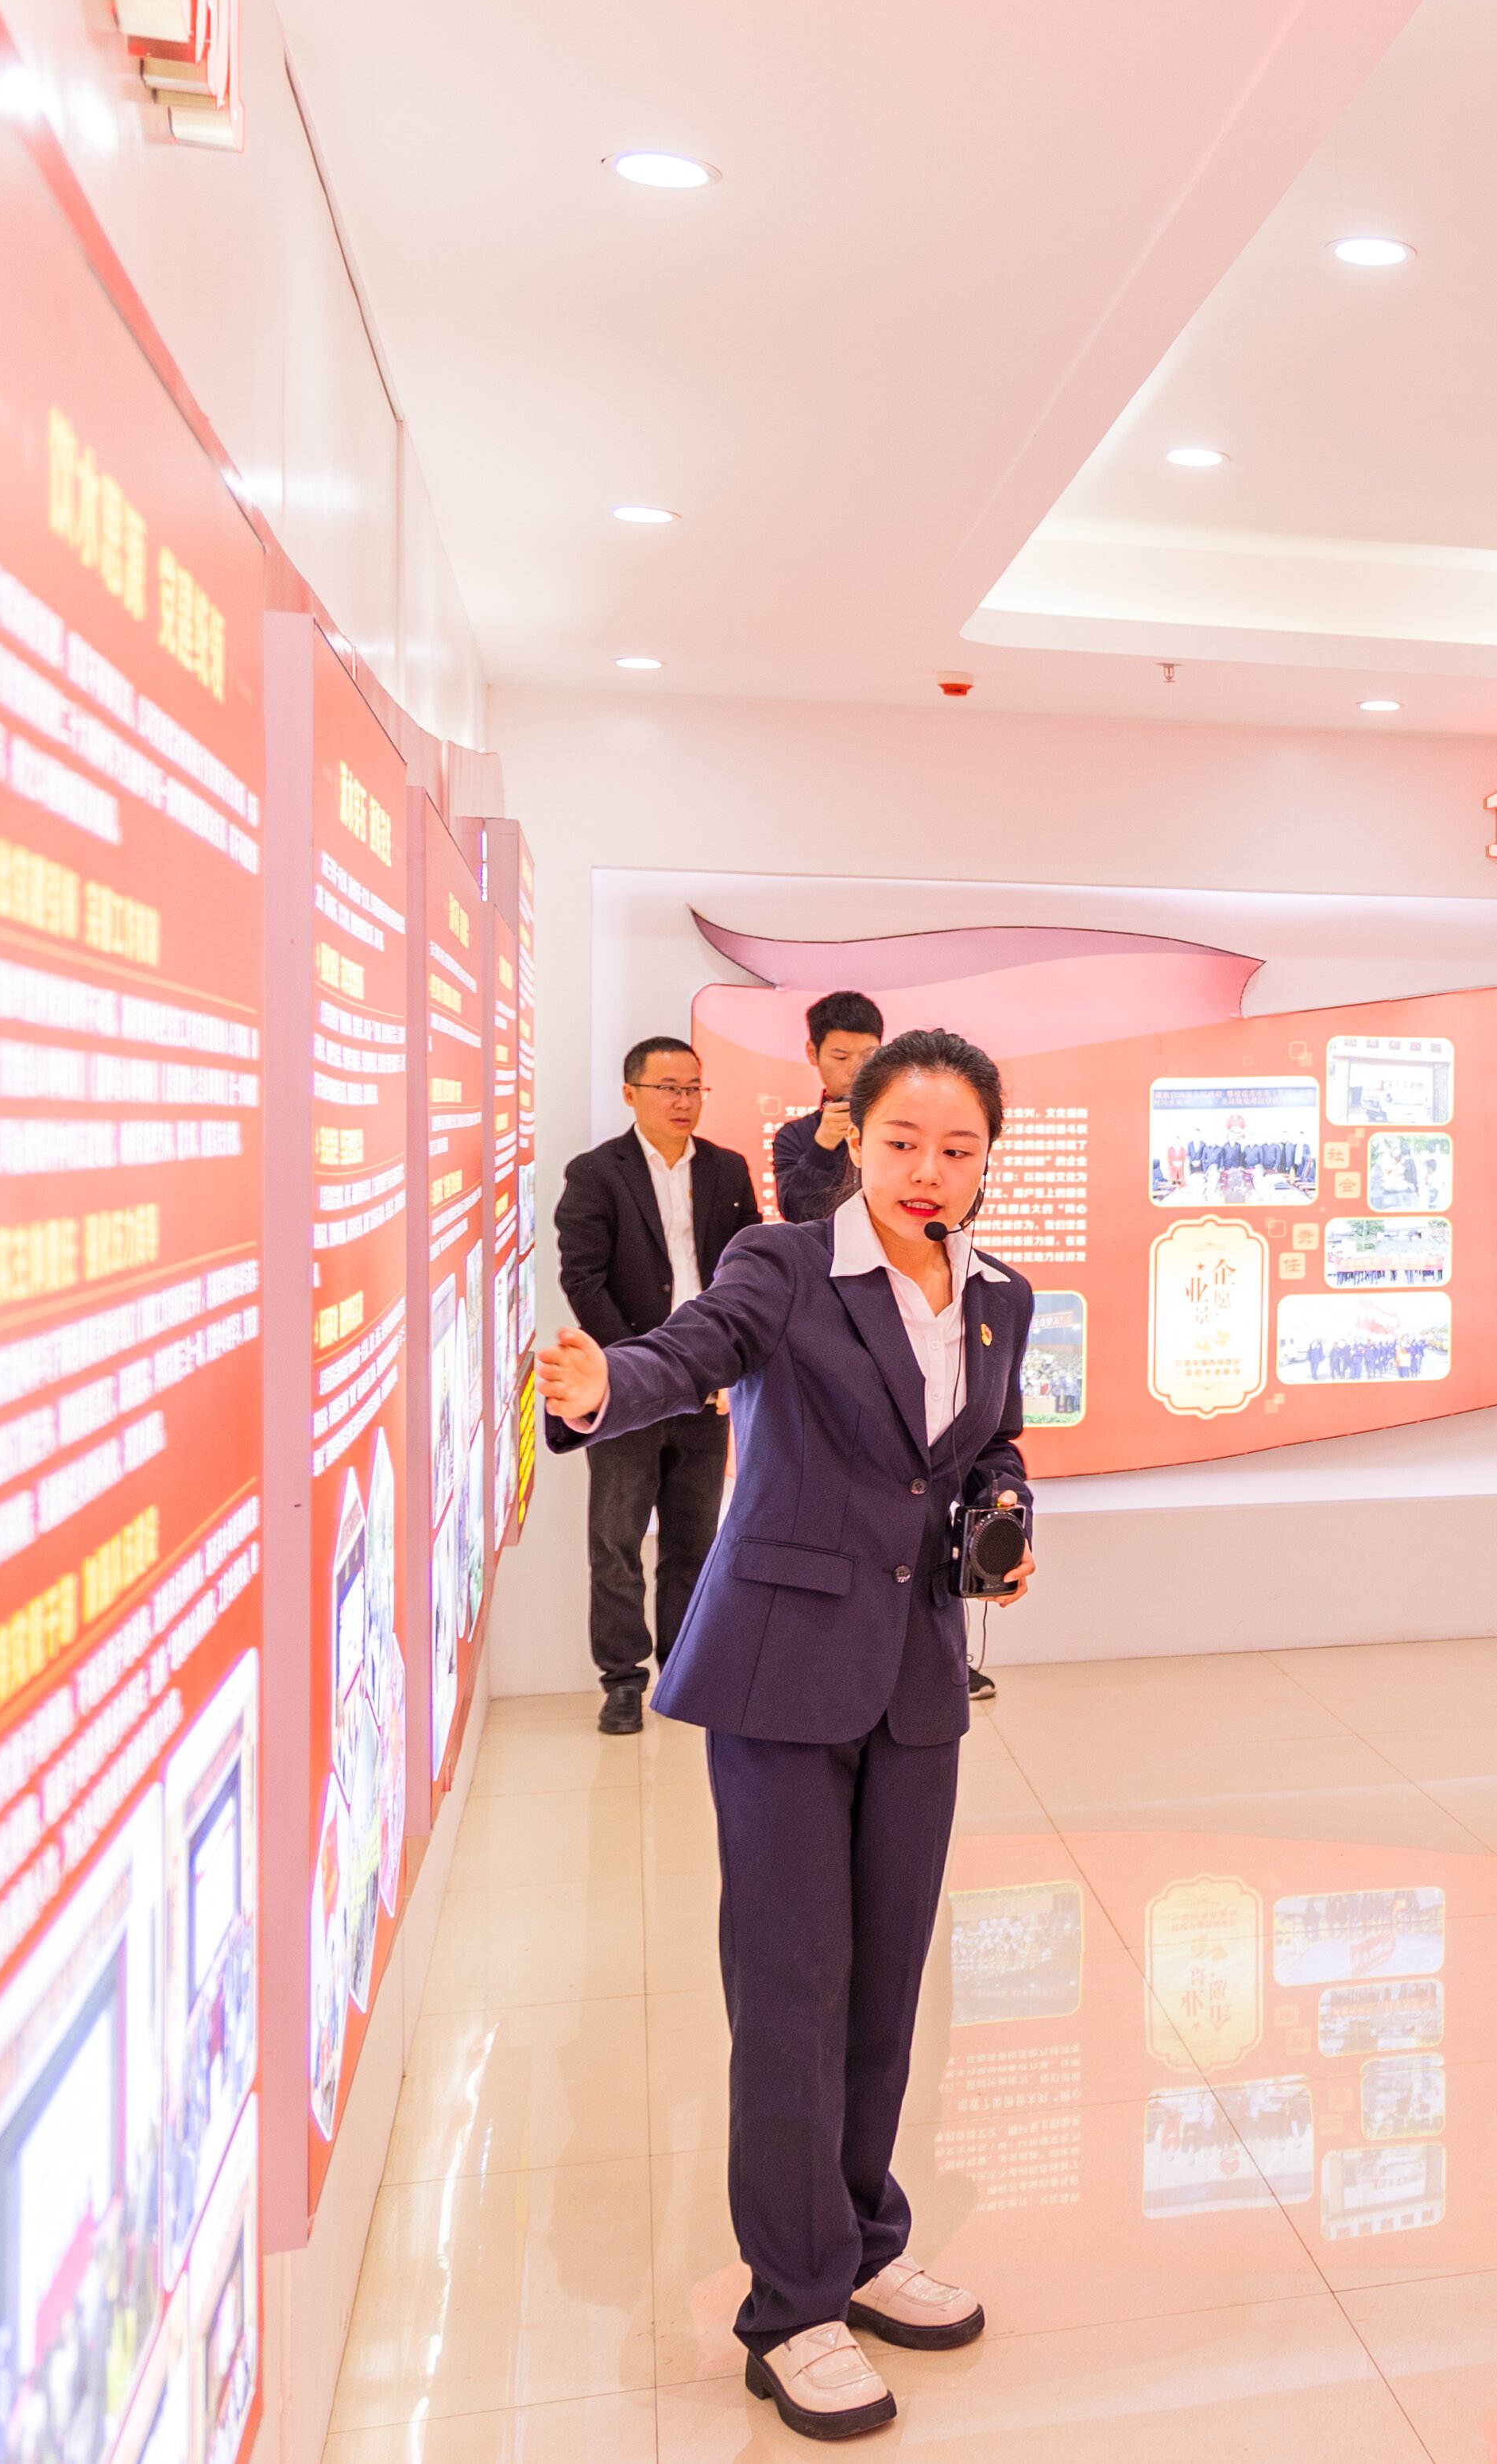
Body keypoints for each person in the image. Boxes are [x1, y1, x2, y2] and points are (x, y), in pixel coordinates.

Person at [537, 1028, 1039, 2438]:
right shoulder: (784, 1263)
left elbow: (989, 1443)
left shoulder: (1000, 1297)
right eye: (901, 1143)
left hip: (917, 1674)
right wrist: (604, 1386)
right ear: (851, 1139)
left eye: (957, 1149)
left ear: (986, 1160)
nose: (928, 1172)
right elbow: (694, 1350)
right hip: (783, 1673)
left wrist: (1004, 1516)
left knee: (888, 1983)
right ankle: (791, 2304)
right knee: (792, 1988)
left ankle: (865, 2242)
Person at [554, 1036, 763, 1735]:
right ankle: (622, 1679)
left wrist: (723, 1362)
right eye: (668, 1087)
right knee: (616, 1540)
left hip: (707, 1388)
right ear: (630, 1093)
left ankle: (684, 1666)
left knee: (693, 1538)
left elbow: (747, 1272)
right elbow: (583, 1278)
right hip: (623, 1389)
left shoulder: (727, 1169)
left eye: (694, 1088)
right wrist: (637, 1370)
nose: (683, 1101)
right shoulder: (595, 1173)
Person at [770, 990, 885, 1224]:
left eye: (869, 1056)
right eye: (841, 1057)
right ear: (813, 1053)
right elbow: (796, 1214)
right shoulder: (795, 1136)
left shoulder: (898, 1124)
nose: (856, 1069)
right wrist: (822, 1147)